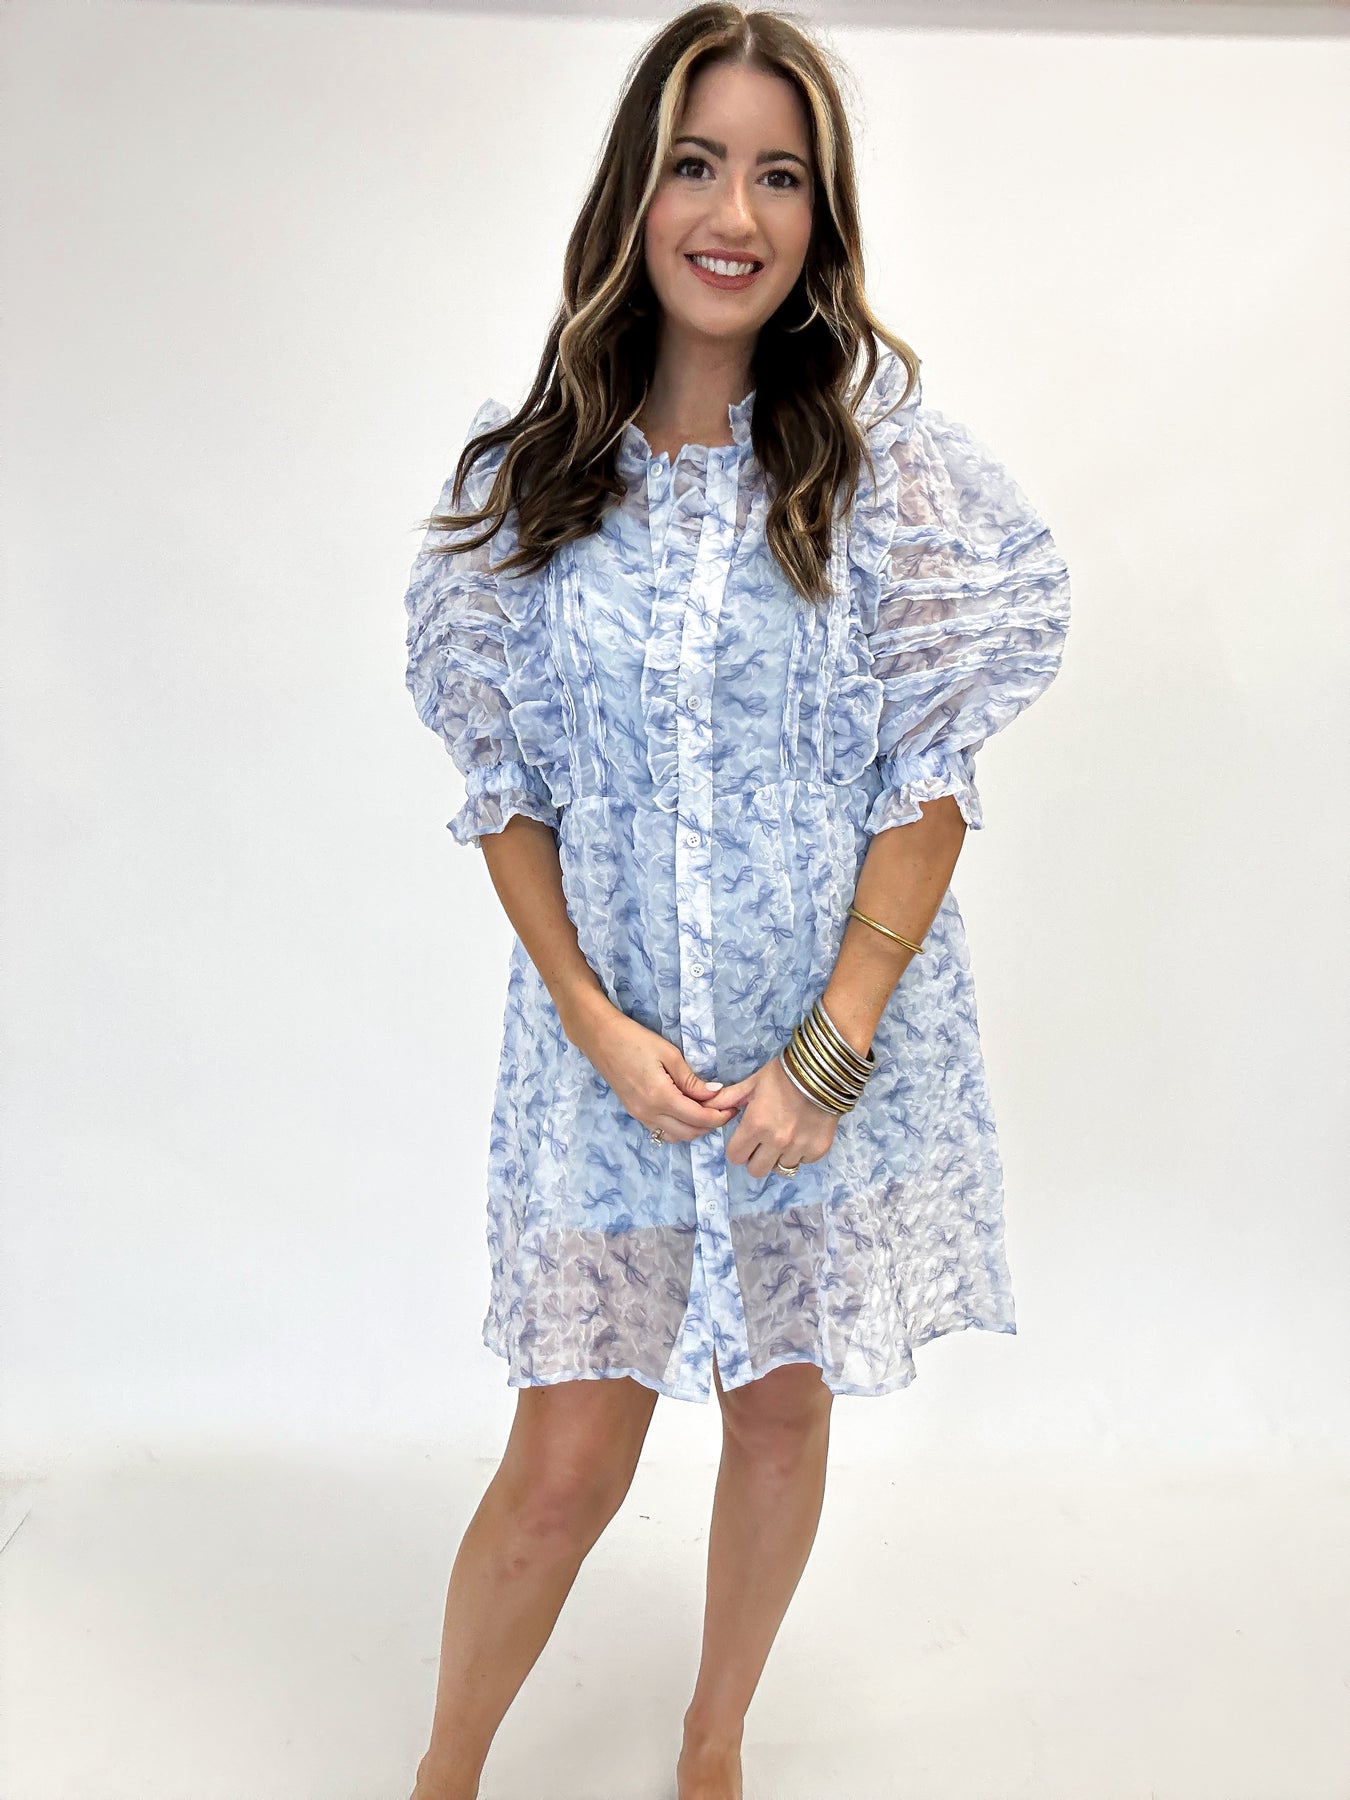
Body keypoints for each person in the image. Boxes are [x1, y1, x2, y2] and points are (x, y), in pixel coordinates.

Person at [400, 7, 1071, 1797]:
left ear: (818, 219)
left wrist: (829, 1051)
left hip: (816, 1051)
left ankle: (712, 1749)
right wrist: (592, 1021)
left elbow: (925, 780)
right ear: (635, 192)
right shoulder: (525, 484)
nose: (734, 212)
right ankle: (443, 1773)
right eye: (696, 164)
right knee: (564, 1463)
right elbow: (506, 790)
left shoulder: (886, 475)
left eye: (779, 175)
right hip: (605, 1063)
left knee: (777, 1411)